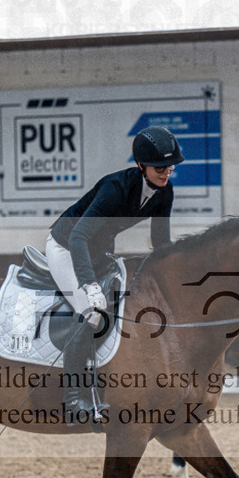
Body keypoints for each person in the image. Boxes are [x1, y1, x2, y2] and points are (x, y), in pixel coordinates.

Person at [47, 125, 183, 424]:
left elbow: (160, 243)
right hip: (66, 247)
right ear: (141, 165)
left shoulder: (165, 191)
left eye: (170, 166)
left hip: (99, 251)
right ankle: (74, 401)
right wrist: (88, 285)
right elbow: (78, 238)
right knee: (92, 312)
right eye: (159, 167)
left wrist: (179, 271)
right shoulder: (115, 189)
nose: (165, 172)